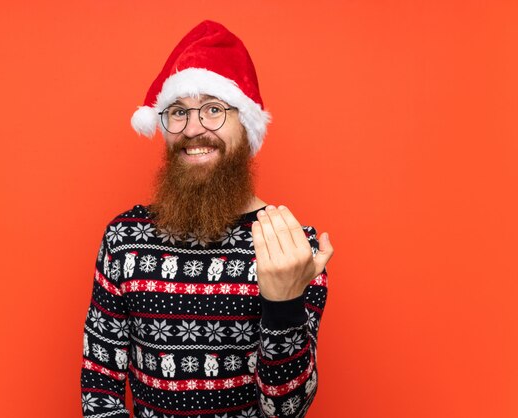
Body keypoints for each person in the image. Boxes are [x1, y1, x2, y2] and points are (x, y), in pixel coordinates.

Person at [80, 20, 334, 418]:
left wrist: (283, 305)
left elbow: (285, 410)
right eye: (178, 112)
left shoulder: (289, 247)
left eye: (214, 109)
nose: (193, 129)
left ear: (245, 126)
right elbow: (100, 389)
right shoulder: (124, 239)